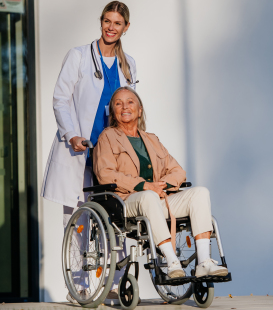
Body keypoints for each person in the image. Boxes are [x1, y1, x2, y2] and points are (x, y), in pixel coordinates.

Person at [40, 1, 137, 304]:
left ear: (125, 28)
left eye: (117, 23)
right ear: (101, 22)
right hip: (80, 149)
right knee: (79, 220)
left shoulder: (128, 64)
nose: (111, 27)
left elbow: (132, 107)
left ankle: (115, 283)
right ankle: (80, 286)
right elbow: (60, 98)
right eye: (107, 21)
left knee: (116, 219)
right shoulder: (79, 56)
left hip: (111, 156)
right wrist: (71, 135)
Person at [93, 86, 228, 278]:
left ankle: (204, 262)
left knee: (200, 193)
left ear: (140, 110)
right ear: (113, 112)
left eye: (130, 102)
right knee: (148, 196)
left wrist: (161, 185)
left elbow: (177, 171)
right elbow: (105, 174)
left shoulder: (152, 139)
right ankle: (172, 262)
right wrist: (145, 186)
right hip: (126, 201)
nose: (125, 107)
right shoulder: (107, 137)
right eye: (118, 103)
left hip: (157, 199)